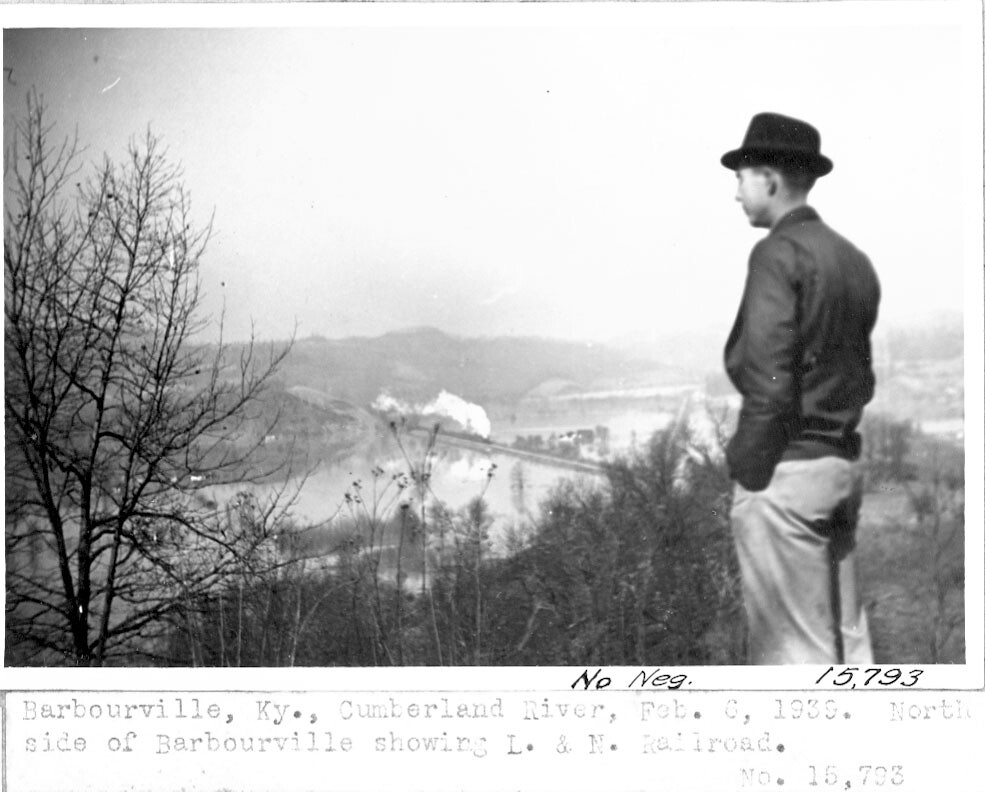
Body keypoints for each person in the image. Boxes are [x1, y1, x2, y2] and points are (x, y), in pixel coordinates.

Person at [720, 112, 881, 664]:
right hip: (840, 469)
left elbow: (770, 380)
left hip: (787, 476)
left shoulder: (777, 255)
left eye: (740, 178)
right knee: (847, 645)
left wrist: (747, 469)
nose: (735, 193)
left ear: (768, 179)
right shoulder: (853, 260)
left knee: (794, 663)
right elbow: (855, 373)